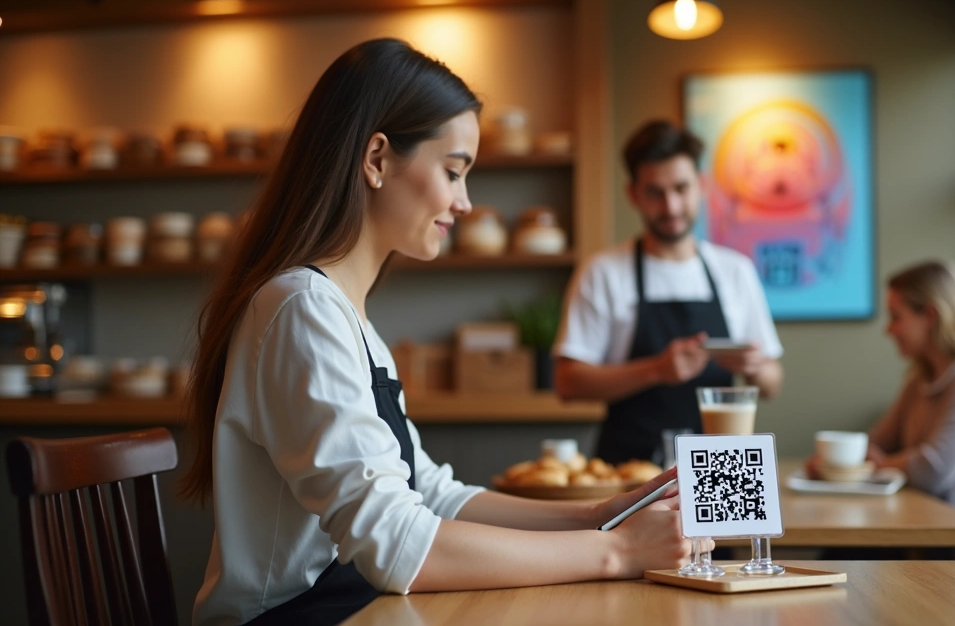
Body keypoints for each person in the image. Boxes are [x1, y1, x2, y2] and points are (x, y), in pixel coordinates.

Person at [183, 39, 692, 626]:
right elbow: (395, 544)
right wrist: (618, 551)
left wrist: (598, 514)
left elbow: (429, 494)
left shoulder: (343, 315)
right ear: (376, 159)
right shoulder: (300, 308)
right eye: (453, 172)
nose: (466, 202)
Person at [553, 120, 784, 465]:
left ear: (701, 185)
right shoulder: (603, 272)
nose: (671, 206)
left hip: (724, 469)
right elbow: (568, 383)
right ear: (633, 194)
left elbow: (771, 384)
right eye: (655, 192)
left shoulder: (735, 271)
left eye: (681, 188)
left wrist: (754, 366)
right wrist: (656, 370)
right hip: (630, 473)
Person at [805, 261, 955, 533]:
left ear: (931, 315)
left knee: (842, 558)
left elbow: (932, 472)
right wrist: (839, 463)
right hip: (927, 530)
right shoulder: (921, 378)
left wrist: (869, 467)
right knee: (838, 555)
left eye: (896, 317)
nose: (889, 330)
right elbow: (877, 443)